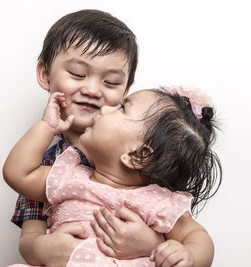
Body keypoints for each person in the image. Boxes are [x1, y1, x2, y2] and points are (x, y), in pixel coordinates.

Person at [9, 9, 166, 266]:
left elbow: (180, 230)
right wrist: (44, 247)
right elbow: (29, 238)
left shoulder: (140, 152)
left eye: (111, 82)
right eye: (78, 75)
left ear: (126, 90)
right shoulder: (42, 162)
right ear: (46, 75)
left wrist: (153, 243)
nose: (92, 90)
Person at [3, 85, 222, 266]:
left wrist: (189, 257)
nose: (106, 108)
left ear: (138, 155)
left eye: (121, 109)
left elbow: (198, 237)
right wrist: (46, 127)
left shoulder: (157, 200)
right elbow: (18, 174)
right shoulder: (69, 175)